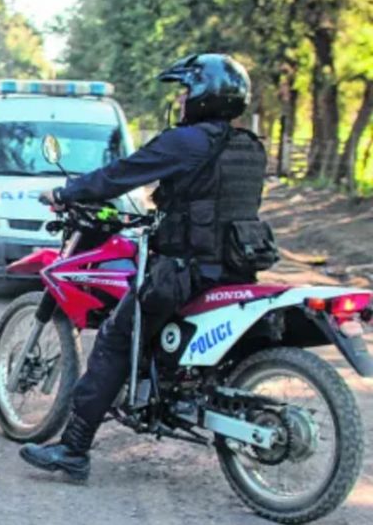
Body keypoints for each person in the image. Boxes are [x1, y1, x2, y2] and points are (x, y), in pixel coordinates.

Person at [19, 53, 270, 481]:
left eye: (187, 90)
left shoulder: (187, 141)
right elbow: (208, 202)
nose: (183, 98)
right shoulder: (249, 148)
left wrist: (64, 194)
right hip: (235, 270)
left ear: (204, 96)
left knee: (116, 337)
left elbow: (120, 174)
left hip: (183, 273)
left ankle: (74, 449)